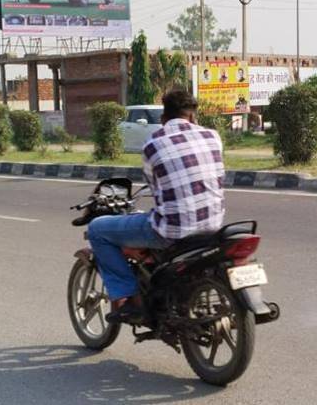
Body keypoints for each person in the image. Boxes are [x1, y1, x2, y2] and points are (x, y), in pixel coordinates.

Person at [87, 90, 225, 323]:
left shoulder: (153, 144)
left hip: (172, 232)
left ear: (163, 119)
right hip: (212, 227)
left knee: (97, 229)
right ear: (192, 117)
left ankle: (127, 299)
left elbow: (156, 188)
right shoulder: (213, 136)